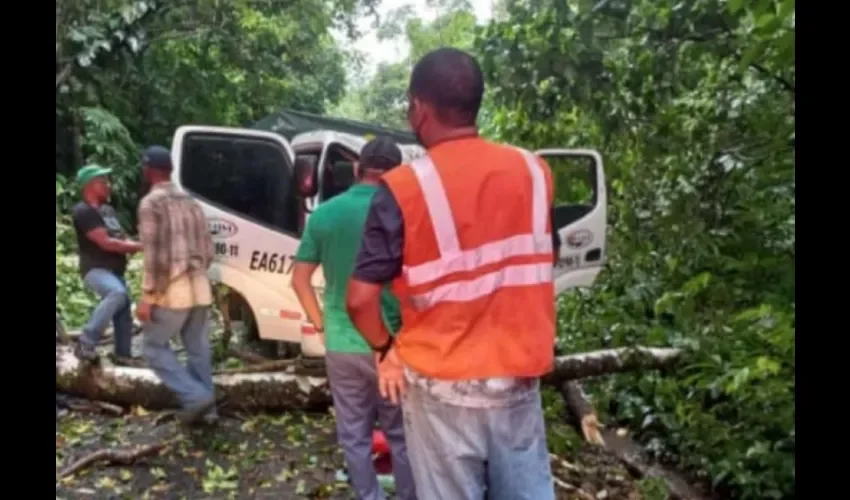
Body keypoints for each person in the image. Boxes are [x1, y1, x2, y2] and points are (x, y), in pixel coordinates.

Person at [346, 47, 562, 500]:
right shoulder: (533, 170)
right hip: (517, 381)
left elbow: (361, 300)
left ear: (420, 108)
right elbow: (543, 260)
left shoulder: (404, 188)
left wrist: (387, 349)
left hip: (439, 387)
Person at [291, 137, 417, 500]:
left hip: (342, 343)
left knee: (354, 434)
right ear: (397, 174)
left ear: (358, 169)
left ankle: (369, 496)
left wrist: (321, 323)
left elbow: (299, 280)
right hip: (392, 345)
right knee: (401, 435)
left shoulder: (326, 213)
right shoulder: (404, 212)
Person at [135, 146, 218, 425]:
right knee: (197, 348)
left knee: (153, 347)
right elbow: (208, 250)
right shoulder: (191, 201)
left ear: (148, 170)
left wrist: (147, 296)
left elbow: (154, 256)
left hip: (172, 290)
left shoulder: (151, 204)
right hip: (199, 286)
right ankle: (208, 411)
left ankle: (196, 398)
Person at [71, 164, 143, 365]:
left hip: (115, 270)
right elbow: (106, 242)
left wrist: (135, 242)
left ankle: (123, 355)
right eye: (103, 182)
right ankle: (87, 341)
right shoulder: (83, 211)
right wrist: (142, 246)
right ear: (90, 186)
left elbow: (120, 236)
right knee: (116, 294)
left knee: (123, 311)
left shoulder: (107, 211)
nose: (108, 185)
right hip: (95, 269)